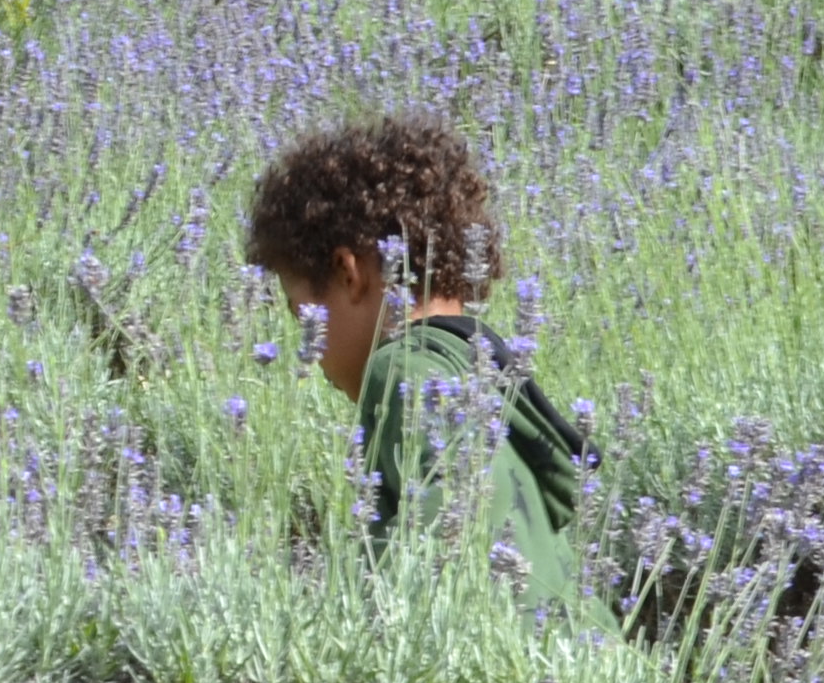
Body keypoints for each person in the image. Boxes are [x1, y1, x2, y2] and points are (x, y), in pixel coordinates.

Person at [242, 113, 581, 593]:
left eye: (303, 315)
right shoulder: (477, 367)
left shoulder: (404, 370)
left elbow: (448, 547)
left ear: (346, 272)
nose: (310, 352)